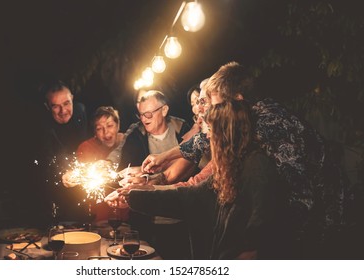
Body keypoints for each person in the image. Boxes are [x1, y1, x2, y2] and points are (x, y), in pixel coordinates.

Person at [141, 62, 350, 254]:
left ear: (237, 99)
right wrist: (163, 156)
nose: (207, 111)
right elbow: (206, 140)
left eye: (213, 103)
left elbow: (302, 198)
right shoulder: (248, 118)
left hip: (323, 224)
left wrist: (259, 251)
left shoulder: (271, 126)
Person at [106, 103, 296, 259]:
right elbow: (188, 196)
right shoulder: (229, 166)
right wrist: (133, 196)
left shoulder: (257, 164)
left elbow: (260, 226)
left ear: (227, 131)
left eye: (212, 129)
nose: (208, 136)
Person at [118, 89, 192, 259]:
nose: (144, 119)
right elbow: (124, 170)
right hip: (148, 223)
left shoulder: (185, 132)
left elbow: (192, 169)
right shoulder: (135, 138)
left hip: (182, 221)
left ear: (164, 110)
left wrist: (148, 176)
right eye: (141, 115)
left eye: (149, 114)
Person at [34, 80, 92, 224]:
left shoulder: (81, 111)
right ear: (47, 107)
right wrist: (62, 173)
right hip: (51, 190)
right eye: (56, 106)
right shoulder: (41, 126)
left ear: (72, 98)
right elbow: (44, 160)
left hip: (82, 189)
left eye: (66, 103)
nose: (63, 111)